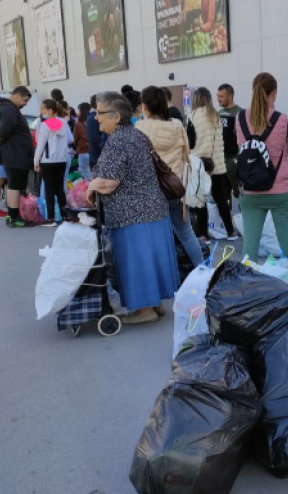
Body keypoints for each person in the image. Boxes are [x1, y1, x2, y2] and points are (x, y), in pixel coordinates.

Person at [86, 91, 180, 324]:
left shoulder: (118, 141)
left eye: (100, 113)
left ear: (116, 116)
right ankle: (155, 303)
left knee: (138, 261)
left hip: (132, 214)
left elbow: (110, 182)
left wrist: (91, 186)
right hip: (153, 209)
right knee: (153, 258)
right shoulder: (136, 135)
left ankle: (144, 310)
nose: (96, 117)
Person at [135, 85, 206, 268]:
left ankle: (163, 276)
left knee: (154, 236)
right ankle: (203, 270)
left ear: (145, 106)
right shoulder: (177, 125)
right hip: (175, 187)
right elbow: (187, 153)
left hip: (151, 191)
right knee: (186, 233)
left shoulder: (140, 127)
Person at [235, 72, 288, 259]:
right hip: (281, 190)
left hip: (250, 190)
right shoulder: (282, 119)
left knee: (250, 247)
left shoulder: (240, 118)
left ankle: (247, 283)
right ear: (274, 92)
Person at [188, 86, 236, 242]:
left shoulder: (192, 116)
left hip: (200, 165)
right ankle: (230, 232)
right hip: (218, 165)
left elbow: (190, 141)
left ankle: (203, 235)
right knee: (221, 200)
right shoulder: (216, 115)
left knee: (200, 201)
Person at [0, 87, 35, 228]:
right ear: (18, 95)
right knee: (15, 186)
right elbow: (4, 130)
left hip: (13, 153)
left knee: (14, 185)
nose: (25, 104)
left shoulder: (0, 108)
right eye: (25, 100)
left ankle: (13, 215)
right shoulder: (9, 109)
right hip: (16, 154)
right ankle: (14, 217)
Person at [33, 99, 73, 227]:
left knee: (49, 189)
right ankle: (65, 215)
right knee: (60, 189)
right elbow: (70, 139)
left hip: (47, 160)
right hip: (62, 159)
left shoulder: (44, 125)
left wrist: (36, 161)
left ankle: (50, 218)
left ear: (50, 110)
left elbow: (40, 145)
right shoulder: (63, 123)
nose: (42, 112)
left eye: (43, 109)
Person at [217, 83, 242, 196]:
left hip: (234, 159)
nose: (218, 99)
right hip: (220, 160)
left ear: (230, 96)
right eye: (218, 96)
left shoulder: (240, 113)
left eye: (221, 96)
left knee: (239, 192)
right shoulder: (219, 113)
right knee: (223, 195)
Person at [87, 95, 108, 170]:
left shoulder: (96, 116)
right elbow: (94, 138)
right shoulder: (92, 118)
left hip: (101, 157)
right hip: (97, 158)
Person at [73, 102, 91, 180]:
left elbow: (75, 139)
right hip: (93, 152)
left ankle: (90, 191)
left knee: (86, 176)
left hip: (83, 152)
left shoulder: (78, 124)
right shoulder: (94, 122)